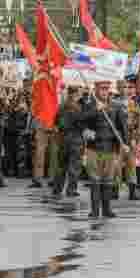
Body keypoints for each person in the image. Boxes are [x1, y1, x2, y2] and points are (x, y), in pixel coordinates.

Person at [82, 79, 128, 219]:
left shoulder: (116, 106)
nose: (104, 91)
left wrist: (125, 143)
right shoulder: (89, 105)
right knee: (95, 180)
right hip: (93, 148)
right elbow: (80, 120)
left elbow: (122, 126)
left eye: (107, 89)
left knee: (108, 180)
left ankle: (107, 210)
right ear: (95, 89)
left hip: (110, 147)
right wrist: (95, 111)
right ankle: (95, 211)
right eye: (102, 88)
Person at [54, 84, 86, 198]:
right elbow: (81, 123)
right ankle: (71, 189)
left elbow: (56, 121)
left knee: (61, 165)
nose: (81, 94)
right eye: (79, 92)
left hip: (63, 138)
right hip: (75, 138)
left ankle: (57, 188)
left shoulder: (62, 105)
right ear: (75, 93)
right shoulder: (77, 107)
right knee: (74, 166)